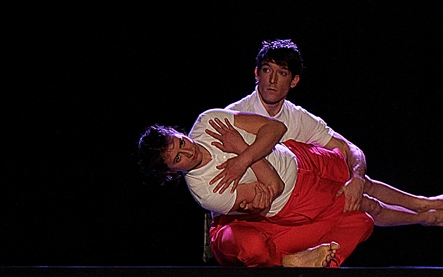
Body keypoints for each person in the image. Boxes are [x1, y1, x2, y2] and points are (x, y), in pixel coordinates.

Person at [222, 39, 443, 228]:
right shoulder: (234, 115)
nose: (272, 80)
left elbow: (351, 150)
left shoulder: (298, 117)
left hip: (302, 192)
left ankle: (422, 205)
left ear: (294, 81)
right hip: (262, 204)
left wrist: (356, 180)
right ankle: (423, 218)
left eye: (282, 73)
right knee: (365, 206)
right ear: (256, 73)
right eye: (266, 70)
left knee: (352, 181)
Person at [138, 109, 374, 268]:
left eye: (182, 142)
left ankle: (414, 208)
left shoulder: (207, 122)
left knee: (364, 191)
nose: (190, 151)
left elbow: (276, 128)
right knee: (363, 220)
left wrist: (242, 159)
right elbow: (275, 185)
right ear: (171, 171)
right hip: (290, 204)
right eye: (178, 158)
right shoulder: (205, 190)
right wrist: (241, 148)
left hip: (299, 159)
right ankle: (294, 262)